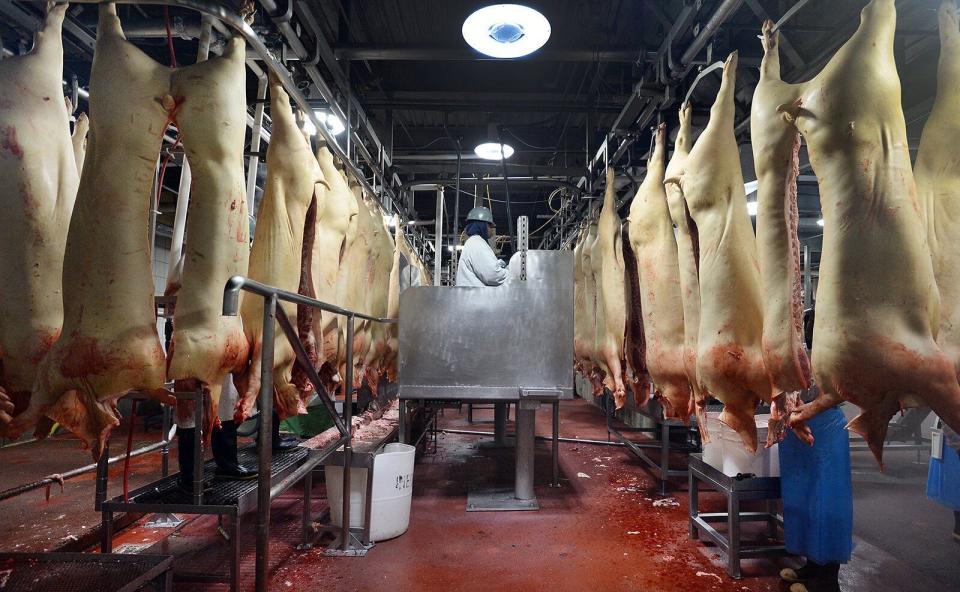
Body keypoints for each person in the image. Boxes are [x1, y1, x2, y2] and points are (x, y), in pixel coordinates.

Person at [778, 307, 852, 592]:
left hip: (826, 429)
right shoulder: (801, 334)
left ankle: (827, 580)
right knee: (802, 499)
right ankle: (811, 565)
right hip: (795, 429)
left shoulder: (842, 339)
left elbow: (841, 389)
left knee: (827, 501)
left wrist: (805, 411)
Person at [455, 206, 507, 287]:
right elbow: (493, 275)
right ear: (483, 225)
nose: (492, 229)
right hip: (475, 297)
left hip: (472, 296)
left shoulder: (474, 242)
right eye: (490, 226)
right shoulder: (477, 243)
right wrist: (510, 272)